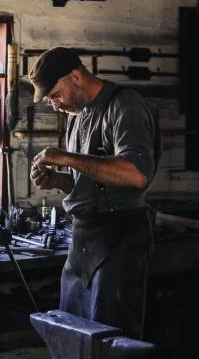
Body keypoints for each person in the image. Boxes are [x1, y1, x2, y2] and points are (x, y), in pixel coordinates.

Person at [28, 47, 161, 339]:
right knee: (72, 335)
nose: (55, 106)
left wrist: (68, 158)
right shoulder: (78, 118)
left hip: (119, 239)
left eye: (55, 95)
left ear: (75, 76)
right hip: (83, 242)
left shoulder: (125, 106)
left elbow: (136, 174)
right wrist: (57, 180)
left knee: (109, 340)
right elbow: (89, 183)